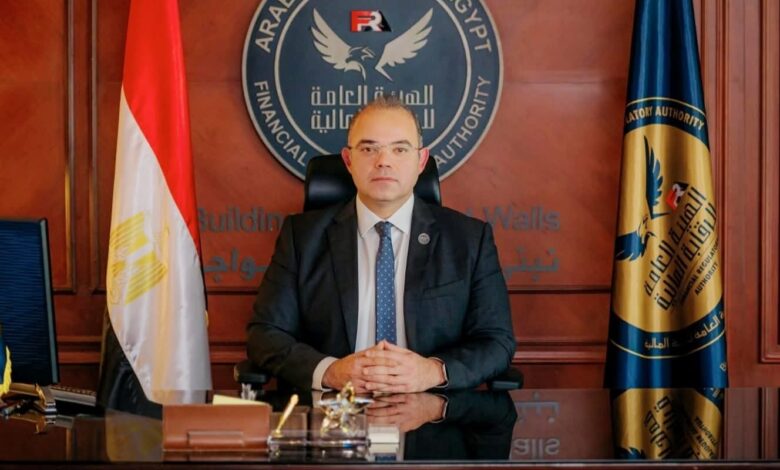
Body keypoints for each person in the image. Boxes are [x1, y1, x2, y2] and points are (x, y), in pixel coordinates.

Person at [247, 95, 515, 393]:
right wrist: (330, 371)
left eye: (400, 149)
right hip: (334, 407)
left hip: (433, 405)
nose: (384, 161)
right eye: (368, 149)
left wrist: (433, 371)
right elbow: (265, 334)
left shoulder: (469, 240)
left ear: (421, 161)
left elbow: (497, 341)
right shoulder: (302, 238)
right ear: (348, 160)